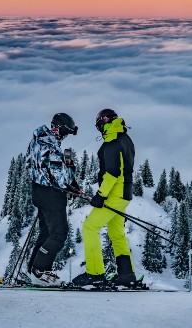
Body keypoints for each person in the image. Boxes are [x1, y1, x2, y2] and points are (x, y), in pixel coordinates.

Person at [72, 108, 137, 288]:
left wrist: (101, 196)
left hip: (114, 194)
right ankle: (126, 274)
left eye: (98, 125)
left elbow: (112, 173)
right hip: (125, 194)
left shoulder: (112, 141)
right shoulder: (126, 139)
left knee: (89, 227)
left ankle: (95, 274)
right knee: (116, 234)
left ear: (102, 123)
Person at [25, 112, 80, 286]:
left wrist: (71, 185)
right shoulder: (51, 146)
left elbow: (28, 163)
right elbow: (61, 178)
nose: (64, 137)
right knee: (59, 233)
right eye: (64, 133)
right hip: (52, 195)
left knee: (47, 232)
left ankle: (32, 270)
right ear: (57, 128)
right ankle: (40, 271)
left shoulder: (37, 140)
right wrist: (70, 166)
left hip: (39, 191)